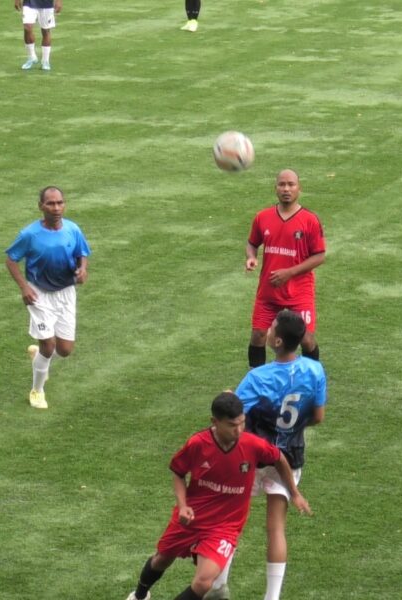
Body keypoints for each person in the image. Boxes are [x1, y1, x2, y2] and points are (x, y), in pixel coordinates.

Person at [125, 392, 311, 600]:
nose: (239, 430)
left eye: (242, 423)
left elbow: (278, 458)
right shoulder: (197, 444)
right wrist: (183, 505)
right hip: (193, 517)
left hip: (224, 526)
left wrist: (294, 493)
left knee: (204, 582)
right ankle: (140, 595)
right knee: (162, 559)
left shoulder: (252, 444)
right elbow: (178, 472)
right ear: (215, 422)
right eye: (232, 425)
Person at [207, 309, 327, 600]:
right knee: (276, 529)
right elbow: (318, 417)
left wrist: (228, 394)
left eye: (272, 327)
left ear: (276, 341)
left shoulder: (258, 377)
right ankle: (271, 597)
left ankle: (218, 585)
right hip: (291, 456)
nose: (268, 329)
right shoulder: (315, 371)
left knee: (231, 519)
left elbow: (235, 416)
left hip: (254, 456)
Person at [4, 186, 90, 409]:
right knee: (48, 345)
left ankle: (39, 357)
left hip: (65, 294)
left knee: (65, 350)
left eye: (60, 202)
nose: (56, 208)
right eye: (51, 203)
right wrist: (24, 287)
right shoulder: (29, 234)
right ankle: (37, 391)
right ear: (41, 206)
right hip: (39, 294)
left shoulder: (72, 229)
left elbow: (82, 253)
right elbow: (11, 260)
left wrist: (82, 270)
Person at [245, 169, 326, 369]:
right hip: (268, 291)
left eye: (291, 184)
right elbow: (252, 243)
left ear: (299, 188)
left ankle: (311, 377)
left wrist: (289, 273)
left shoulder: (310, 220)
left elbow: (319, 255)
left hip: (299, 291)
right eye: (282, 185)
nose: (286, 189)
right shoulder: (262, 217)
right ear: (276, 189)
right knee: (258, 335)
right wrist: (251, 257)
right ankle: (258, 381)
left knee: (306, 339)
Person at [15, 0, 62, 71]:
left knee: (46, 30)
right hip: (29, 3)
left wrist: (58, 1)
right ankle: (31, 57)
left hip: (47, 4)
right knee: (27, 27)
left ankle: (45, 61)